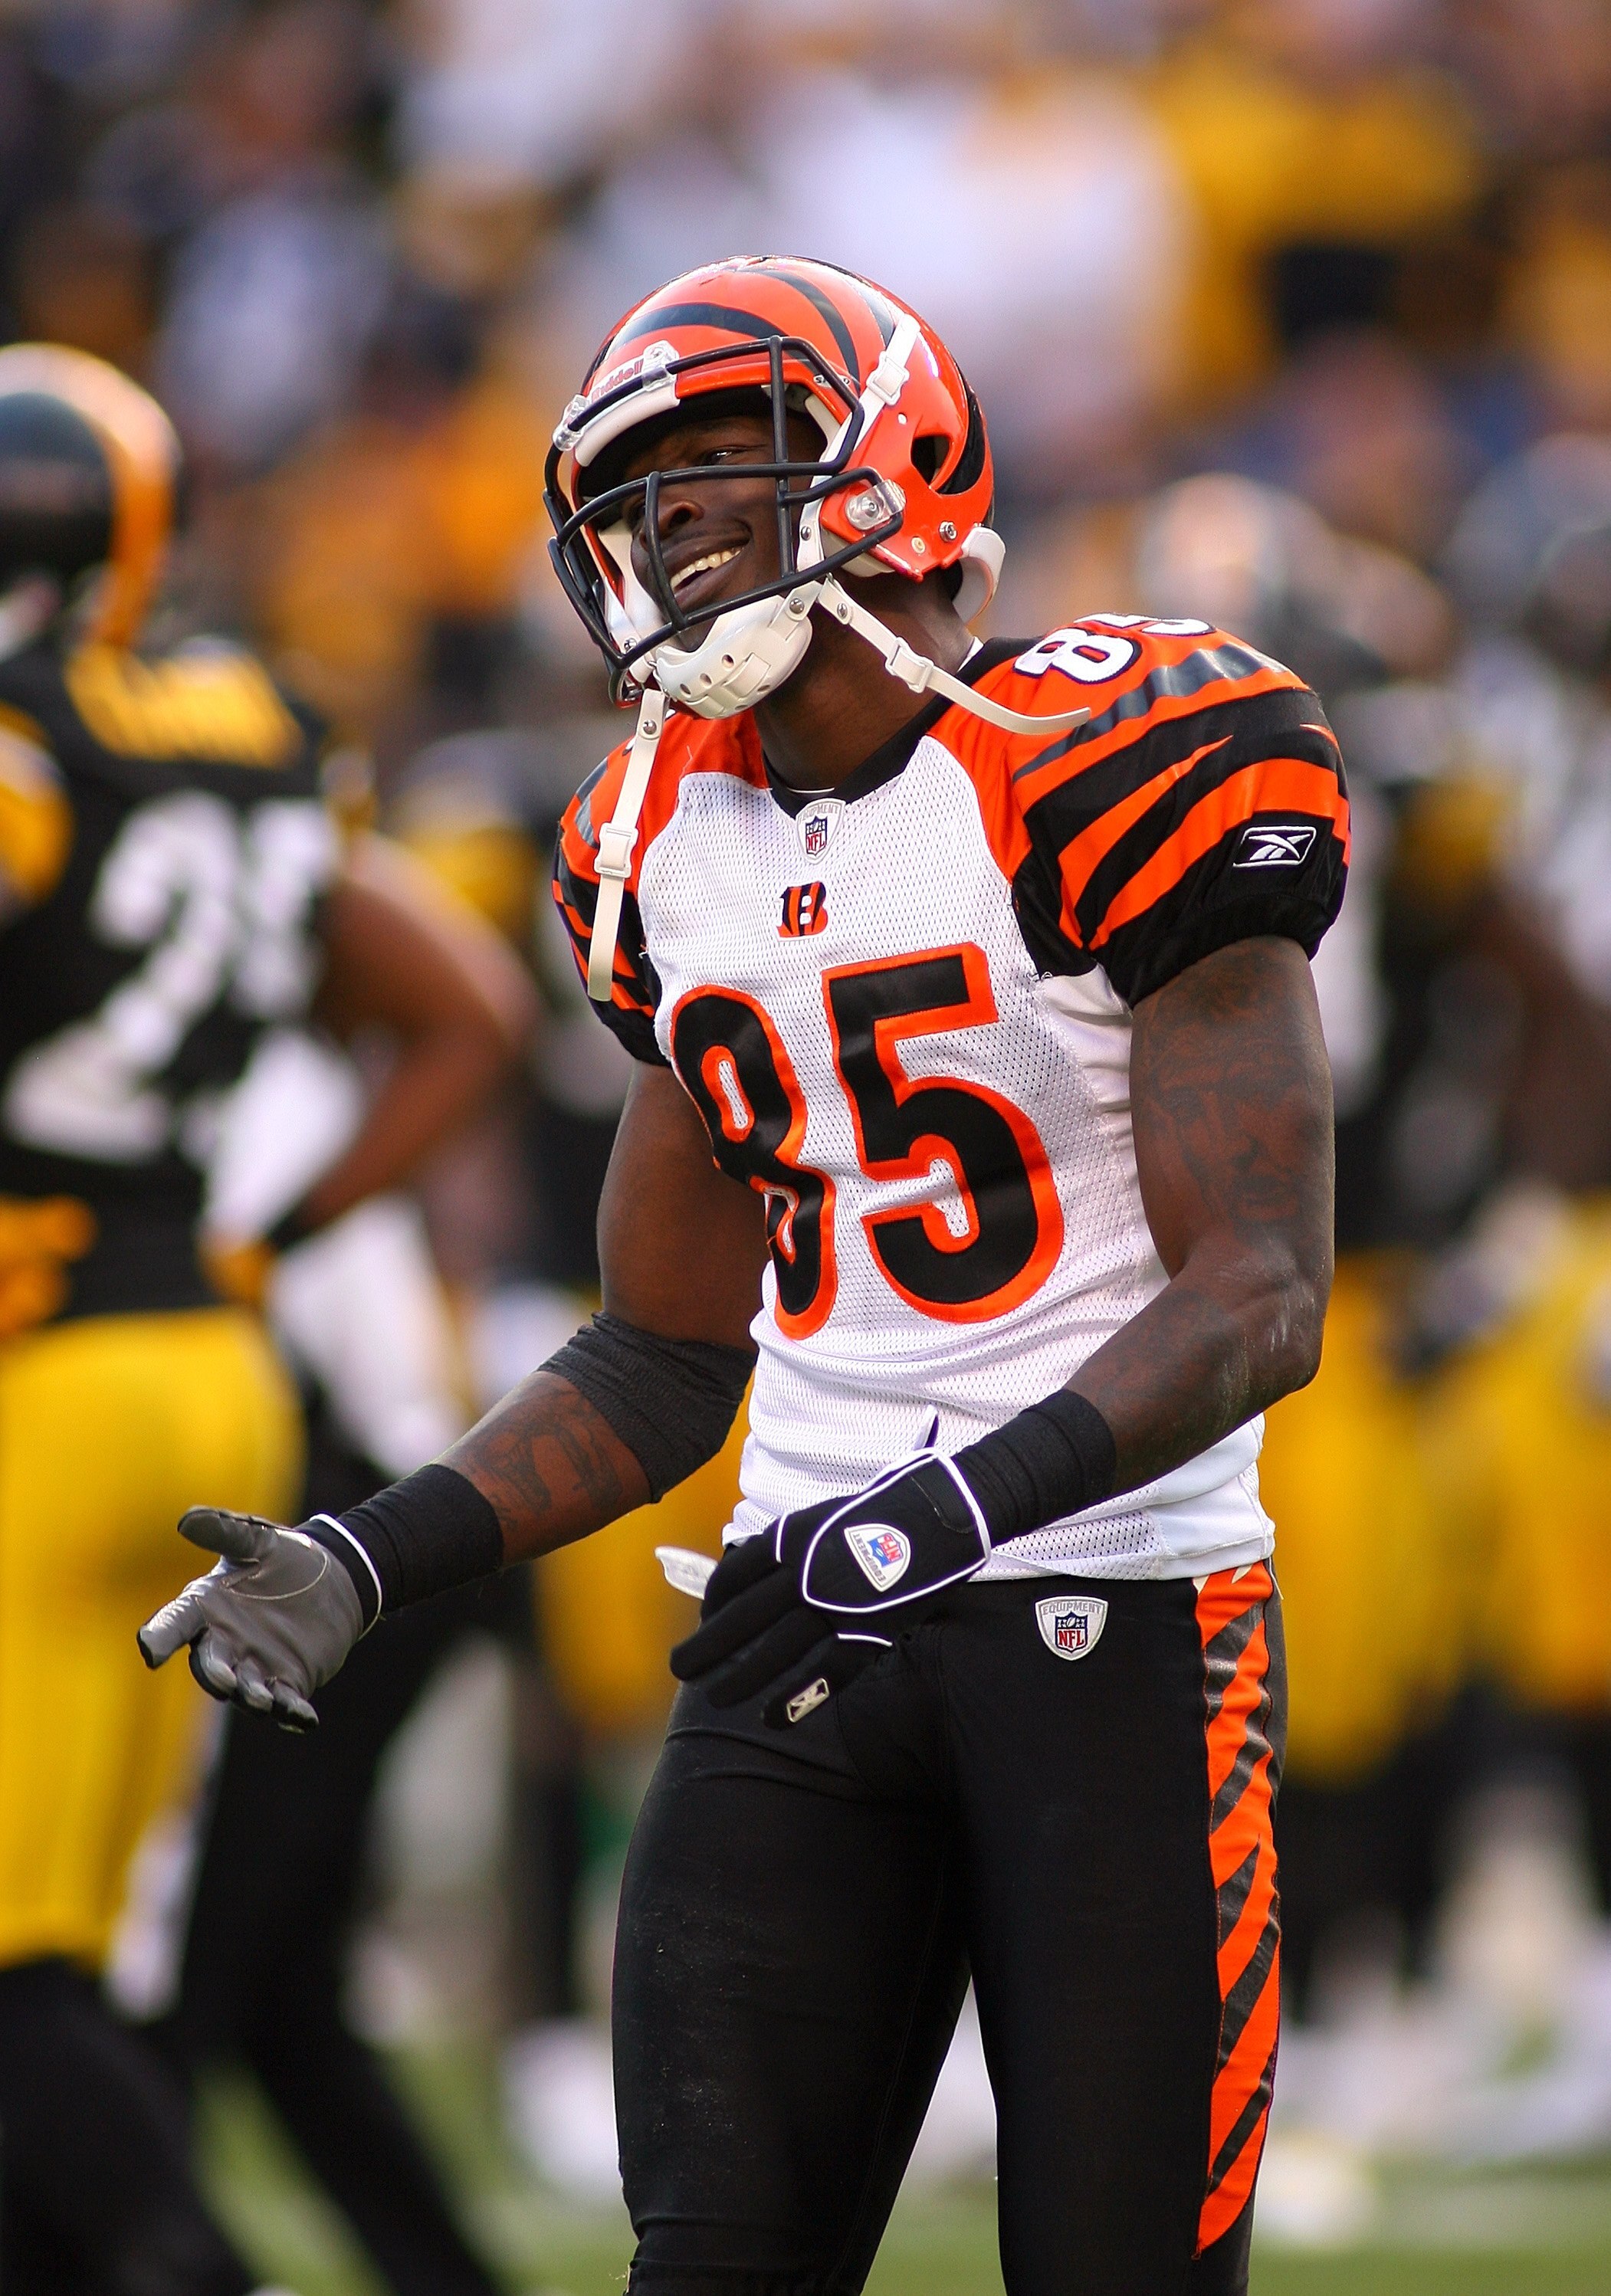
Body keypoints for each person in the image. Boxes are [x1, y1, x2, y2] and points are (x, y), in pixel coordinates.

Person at [144, 256, 1348, 2296]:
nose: (673, 526)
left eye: (721, 466)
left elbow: (1257, 1290)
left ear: (894, 457)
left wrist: (937, 1518)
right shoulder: (648, 840)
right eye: (642, 493)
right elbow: (656, 1350)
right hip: (796, 1621)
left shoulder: (1120, 752)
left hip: (1114, 1625)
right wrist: (375, 1557)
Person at [0, 343, 527, 2296]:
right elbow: (461, 1007)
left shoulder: (28, 741)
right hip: (211, 1353)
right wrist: (257, 1231)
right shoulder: (247, 722)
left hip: (47, 1361)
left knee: (34, 1968)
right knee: (105, 1948)